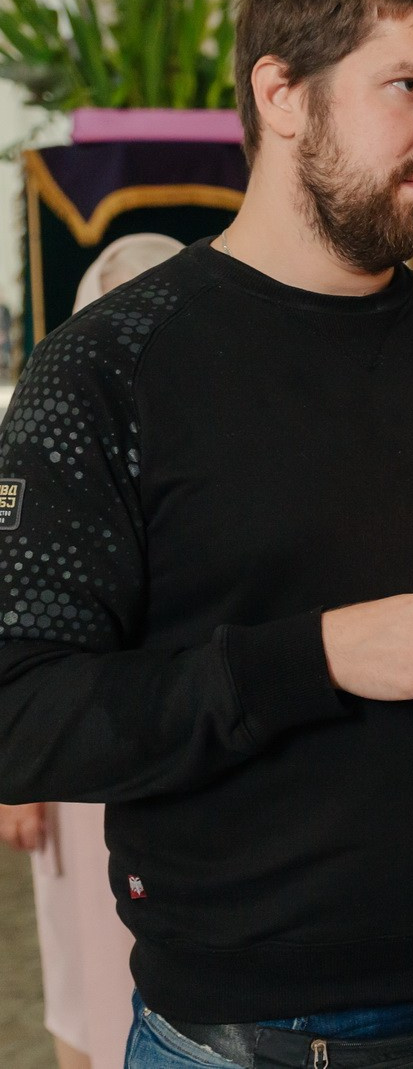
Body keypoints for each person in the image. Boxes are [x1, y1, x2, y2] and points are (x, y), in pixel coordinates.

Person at [0, 0, 413, 1068]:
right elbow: (22, 716)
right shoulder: (110, 368)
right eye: (408, 87)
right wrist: (324, 655)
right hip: (266, 1020)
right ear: (281, 93)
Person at [0, 234, 182, 1068]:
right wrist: (17, 780)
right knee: (90, 970)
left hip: (194, 737)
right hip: (84, 751)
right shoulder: (46, 431)